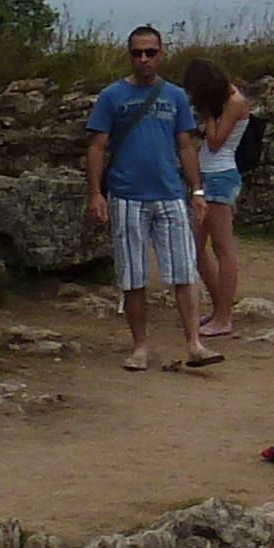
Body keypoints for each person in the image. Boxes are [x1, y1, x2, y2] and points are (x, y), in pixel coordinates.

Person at [84, 26, 216, 372]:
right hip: (127, 194)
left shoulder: (173, 96)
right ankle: (140, 346)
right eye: (137, 52)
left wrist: (197, 191)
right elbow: (97, 145)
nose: (144, 59)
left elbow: (185, 144)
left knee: (185, 271)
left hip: (169, 193)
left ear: (161, 54)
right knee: (133, 274)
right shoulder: (112, 96)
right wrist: (95, 192)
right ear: (129, 55)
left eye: (150, 52)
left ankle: (194, 343)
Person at [179, 56, 255, 340]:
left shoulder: (233, 101)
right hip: (209, 175)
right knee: (195, 246)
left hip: (221, 175)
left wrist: (209, 115)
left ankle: (224, 317)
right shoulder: (225, 100)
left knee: (223, 248)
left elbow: (215, 141)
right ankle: (217, 306)